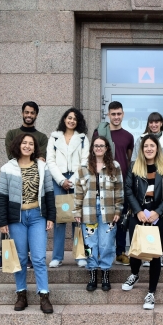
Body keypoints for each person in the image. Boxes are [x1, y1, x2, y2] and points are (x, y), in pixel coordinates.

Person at [0, 133, 56, 314]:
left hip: (38, 216)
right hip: (17, 218)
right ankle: (21, 294)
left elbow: (49, 193)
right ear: (18, 145)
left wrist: (51, 217)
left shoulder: (42, 167)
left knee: (38, 258)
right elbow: (2, 197)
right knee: (21, 258)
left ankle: (44, 295)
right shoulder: (7, 168)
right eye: (24, 143)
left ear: (34, 148)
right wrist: (2, 221)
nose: (27, 146)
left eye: (31, 144)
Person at [0, 101, 49, 270]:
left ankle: (28, 256)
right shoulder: (12, 134)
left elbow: (41, 157)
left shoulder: (41, 137)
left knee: (31, 221)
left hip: (33, 179)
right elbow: (12, 155)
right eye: (26, 112)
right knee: (11, 214)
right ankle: (4, 255)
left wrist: (34, 158)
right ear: (22, 113)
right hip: (14, 178)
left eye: (32, 113)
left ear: (36, 115)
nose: (29, 115)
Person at [121, 134, 163, 310]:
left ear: (157, 148)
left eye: (152, 146)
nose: (149, 149)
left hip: (157, 216)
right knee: (136, 251)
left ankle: (151, 292)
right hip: (138, 214)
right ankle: (134, 274)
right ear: (142, 149)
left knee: (154, 255)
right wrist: (137, 210)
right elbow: (128, 190)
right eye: (146, 146)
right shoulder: (134, 166)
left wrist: (157, 211)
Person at [73, 136, 123, 291]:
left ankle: (106, 274)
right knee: (90, 244)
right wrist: (77, 210)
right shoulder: (83, 167)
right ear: (92, 148)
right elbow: (78, 191)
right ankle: (93, 274)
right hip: (88, 210)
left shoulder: (114, 166)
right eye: (96, 146)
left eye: (101, 145)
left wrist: (118, 209)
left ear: (107, 148)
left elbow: (119, 190)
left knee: (107, 243)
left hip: (108, 210)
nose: (99, 148)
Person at [47, 107, 90, 269]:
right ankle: (57, 257)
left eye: (75, 119)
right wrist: (61, 180)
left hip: (77, 180)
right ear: (64, 119)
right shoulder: (54, 137)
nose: (72, 121)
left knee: (77, 219)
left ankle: (80, 256)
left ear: (78, 122)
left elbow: (85, 161)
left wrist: (71, 181)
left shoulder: (83, 138)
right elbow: (50, 160)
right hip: (58, 180)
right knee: (60, 219)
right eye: (69, 117)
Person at [131, 112, 163, 266]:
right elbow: (134, 160)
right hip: (144, 183)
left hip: (161, 182)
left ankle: (156, 254)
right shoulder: (140, 139)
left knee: (157, 227)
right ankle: (145, 253)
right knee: (144, 226)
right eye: (151, 122)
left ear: (161, 123)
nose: (154, 124)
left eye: (157, 122)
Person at [93, 101, 134, 266]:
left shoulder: (128, 136)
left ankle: (120, 252)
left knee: (121, 217)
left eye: (119, 114)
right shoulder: (99, 133)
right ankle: (99, 252)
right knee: (101, 219)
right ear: (108, 115)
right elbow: (93, 154)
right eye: (113, 114)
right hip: (102, 183)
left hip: (121, 183)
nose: (116, 117)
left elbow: (129, 160)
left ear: (123, 114)